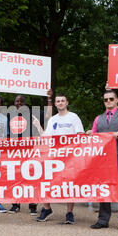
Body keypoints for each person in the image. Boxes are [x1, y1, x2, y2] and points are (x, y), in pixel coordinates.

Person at [86, 89, 118, 234]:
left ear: (116, 101)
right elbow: (95, 137)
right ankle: (103, 220)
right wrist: (90, 134)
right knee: (104, 188)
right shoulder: (98, 119)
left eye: (111, 99)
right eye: (105, 100)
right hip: (103, 160)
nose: (108, 102)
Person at [33, 94, 84, 224]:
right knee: (46, 180)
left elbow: (80, 136)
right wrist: (38, 126)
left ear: (67, 102)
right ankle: (46, 208)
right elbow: (46, 137)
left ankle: (69, 213)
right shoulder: (53, 120)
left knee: (70, 184)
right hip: (54, 157)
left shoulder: (74, 117)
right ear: (55, 104)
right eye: (58, 101)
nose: (60, 103)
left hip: (70, 157)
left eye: (62, 101)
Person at [7, 90, 53, 215]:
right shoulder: (11, 116)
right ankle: (15, 204)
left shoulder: (34, 114)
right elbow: (7, 136)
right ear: (14, 103)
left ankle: (33, 205)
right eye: (17, 101)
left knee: (32, 177)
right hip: (17, 152)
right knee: (16, 177)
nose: (19, 103)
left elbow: (49, 115)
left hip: (33, 151)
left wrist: (49, 99)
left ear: (25, 103)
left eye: (22, 101)